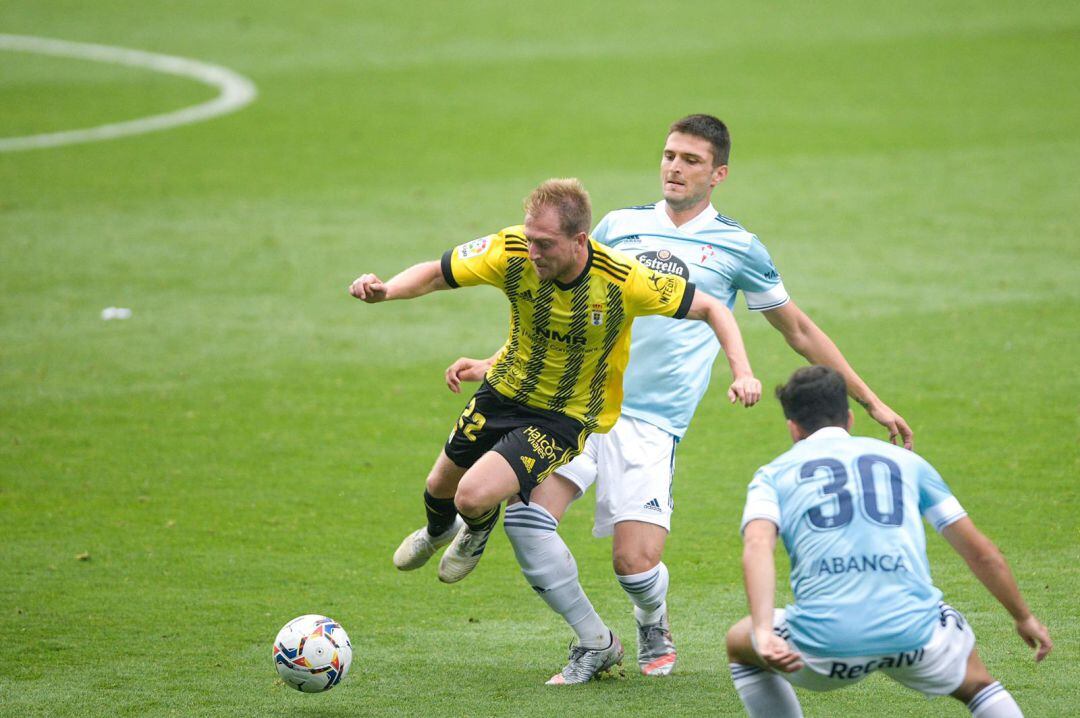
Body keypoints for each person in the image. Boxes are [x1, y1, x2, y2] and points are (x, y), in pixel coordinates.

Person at [445, 114, 913, 683]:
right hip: (574, 411)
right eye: (669, 155)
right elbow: (558, 308)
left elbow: (800, 331)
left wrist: (870, 401)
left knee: (633, 564)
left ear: (718, 173)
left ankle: (651, 618)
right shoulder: (619, 226)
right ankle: (594, 641)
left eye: (691, 160)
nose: (674, 167)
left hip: (651, 423)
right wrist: (496, 362)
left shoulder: (739, 248)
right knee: (526, 520)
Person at [349, 178, 762, 678]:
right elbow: (436, 274)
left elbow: (713, 308)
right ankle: (442, 531)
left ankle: (476, 531)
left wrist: (742, 370)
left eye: (545, 243)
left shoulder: (623, 279)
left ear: (579, 241)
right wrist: (387, 290)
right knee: (439, 487)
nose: (533, 251)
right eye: (530, 238)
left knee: (474, 496)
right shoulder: (511, 250)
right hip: (503, 392)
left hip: (564, 417)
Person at [726, 365, 1052, 717]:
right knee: (978, 686)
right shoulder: (907, 463)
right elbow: (982, 552)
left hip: (826, 647)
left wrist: (763, 631)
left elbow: (757, 546)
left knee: (738, 643)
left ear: (793, 428)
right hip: (913, 638)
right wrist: (1024, 617)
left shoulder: (773, 474)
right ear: (849, 419)